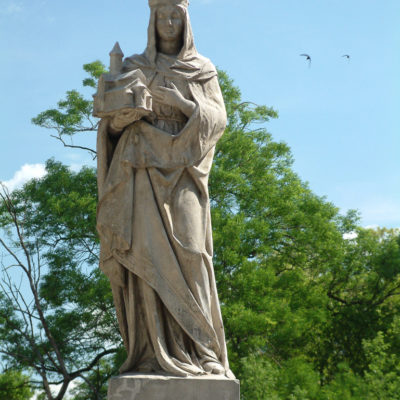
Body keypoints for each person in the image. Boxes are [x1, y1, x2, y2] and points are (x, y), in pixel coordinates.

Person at [96, 0, 234, 378]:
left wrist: (184, 103)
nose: (169, 22)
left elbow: (218, 119)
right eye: (163, 15)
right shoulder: (134, 67)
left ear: (186, 20)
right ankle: (151, 353)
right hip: (139, 167)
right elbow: (110, 127)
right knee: (146, 256)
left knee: (193, 254)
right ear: (152, 20)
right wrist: (118, 121)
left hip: (184, 170)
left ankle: (204, 349)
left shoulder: (201, 69)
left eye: (176, 15)